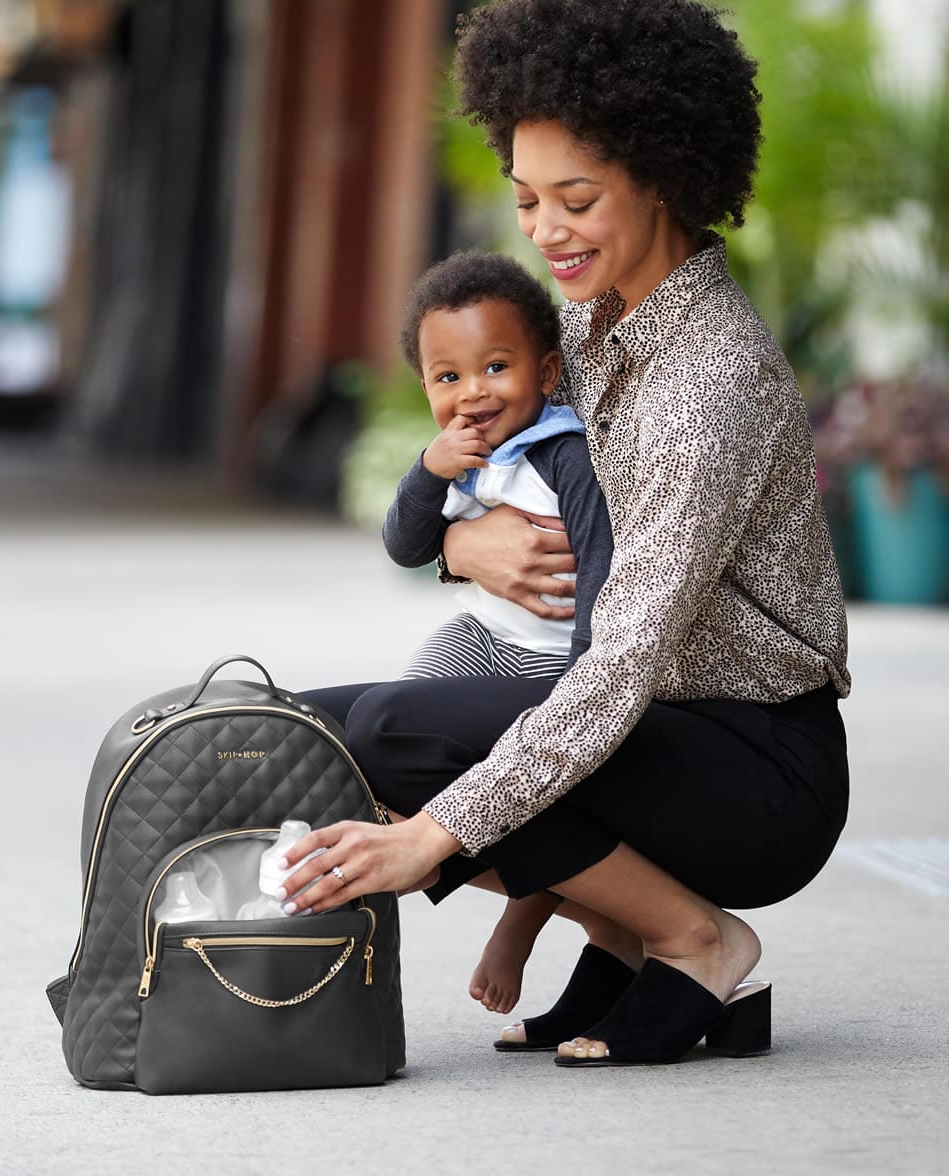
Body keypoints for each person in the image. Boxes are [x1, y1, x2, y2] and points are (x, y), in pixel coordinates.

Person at [279, 0, 851, 1068]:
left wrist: (433, 837)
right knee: (312, 725)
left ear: (665, 175)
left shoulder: (707, 382)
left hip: (756, 764)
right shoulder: (589, 323)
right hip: (653, 726)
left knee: (406, 732)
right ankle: (627, 937)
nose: (545, 232)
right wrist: (460, 546)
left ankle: (695, 938)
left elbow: (621, 659)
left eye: (575, 199)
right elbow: (489, 467)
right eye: (528, 198)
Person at [385, 249, 614, 1011]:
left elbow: (606, 567)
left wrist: (584, 677)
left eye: (494, 367)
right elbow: (405, 546)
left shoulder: (563, 453)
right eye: (447, 378)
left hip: (549, 661)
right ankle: (431, 848)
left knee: (530, 787)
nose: (472, 393)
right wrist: (428, 469)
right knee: (395, 743)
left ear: (546, 374)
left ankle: (527, 910)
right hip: (480, 635)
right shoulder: (460, 460)